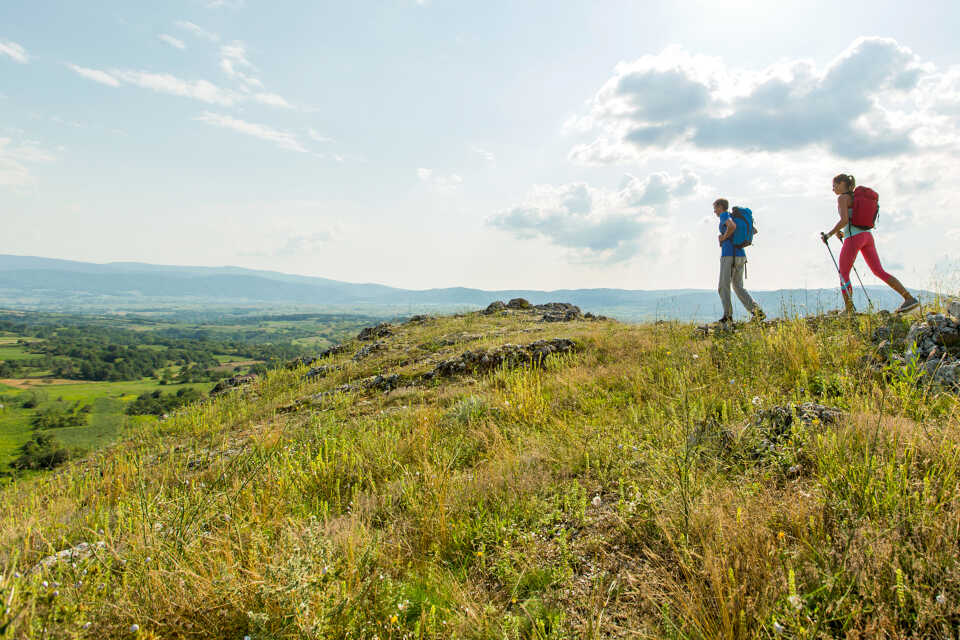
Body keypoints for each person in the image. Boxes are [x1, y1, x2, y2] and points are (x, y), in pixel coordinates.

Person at [821, 174, 919, 314]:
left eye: (834, 185)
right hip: (867, 237)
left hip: (854, 239)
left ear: (842, 183)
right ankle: (909, 298)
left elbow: (844, 220)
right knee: (879, 271)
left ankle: (849, 311)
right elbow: (851, 219)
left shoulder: (842, 198)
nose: (833, 189)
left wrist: (829, 235)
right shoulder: (856, 198)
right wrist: (842, 232)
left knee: (843, 274)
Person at [714, 198, 764, 324]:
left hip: (728, 255)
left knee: (723, 286)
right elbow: (754, 231)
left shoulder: (725, 215)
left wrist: (723, 238)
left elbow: (731, 226)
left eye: (715, 208)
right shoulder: (738, 217)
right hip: (741, 255)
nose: (714, 211)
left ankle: (727, 316)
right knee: (738, 286)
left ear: (721, 207)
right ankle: (757, 313)